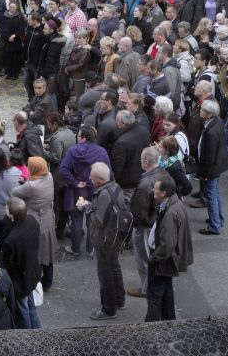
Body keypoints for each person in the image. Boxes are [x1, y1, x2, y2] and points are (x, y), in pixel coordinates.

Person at [80, 161, 127, 320]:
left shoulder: (103, 194)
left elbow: (99, 221)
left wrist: (87, 207)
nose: (90, 178)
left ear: (99, 180)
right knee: (114, 267)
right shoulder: (116, 187)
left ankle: (108, 308)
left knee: (105, 273)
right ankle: (119, 300)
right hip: (115, 236)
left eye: (92, 177)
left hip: (104, 239)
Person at [145, 175, 193, 321]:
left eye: (156, 189)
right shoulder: (175, 203)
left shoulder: (170, 213)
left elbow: (166, 245)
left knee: (154, 294)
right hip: (168, 259)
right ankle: (169, 322)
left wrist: (153, 258)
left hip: (162, 259)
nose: (153, 190)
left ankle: (151, 327)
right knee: (166, 290)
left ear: (163, 193)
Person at [59, 126, 111, 258]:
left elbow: (63, 170)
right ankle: (90, 249)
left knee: (77, 220)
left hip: (77, 191)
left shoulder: (73, 151)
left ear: (83, 138)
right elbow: (108, 172)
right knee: (92, 220)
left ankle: (75, 249)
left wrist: (74, 182)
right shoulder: (101, 151)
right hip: (95, 190)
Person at [128, 147, 170, 299]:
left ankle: (146, 288)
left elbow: (140, 211)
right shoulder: (164, 174)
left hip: (145, 226)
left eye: (141, 160)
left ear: (146, 162)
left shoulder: (146, 183)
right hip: (157, 223)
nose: (140, 162)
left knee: (143, 258)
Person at [12, 157, 57, 291]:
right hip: (48, 218)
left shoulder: (31, 186)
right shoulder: (49, 176)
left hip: (36, 221)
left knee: (37, 254)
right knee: (48, 252)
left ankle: (35, 283)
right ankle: (47, 282)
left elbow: (15, 192)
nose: (27, 167)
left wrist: (23, 182)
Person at [0, 197, 42, 329]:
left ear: (12, 215)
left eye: (7, 209)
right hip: (32, 271)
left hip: (19, 279)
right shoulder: (32, 221)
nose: (5, 209)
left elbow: (7, 263)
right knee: (31, 305)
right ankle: (38, 329)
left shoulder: (11, 240)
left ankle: (26, 333)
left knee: (22, 306)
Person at [197, 99, 228, 235]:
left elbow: (209, 156)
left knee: (211, 195)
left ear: (209, 114)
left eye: (203, 110)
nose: (200, 111)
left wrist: (205, 173)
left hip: (212, 168)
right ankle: (218, 219)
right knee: (215, 193)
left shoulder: (210, 132)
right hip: (218, 165)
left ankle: (214, 225)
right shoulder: (217, 122)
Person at [111, 109, 151, 203]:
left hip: (127, 184)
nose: (116, 123)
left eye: (117, 121)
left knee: (127, 208)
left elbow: (117, 167)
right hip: (143, 178)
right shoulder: (144, 131)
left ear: (123, 123)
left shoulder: (121, 142)